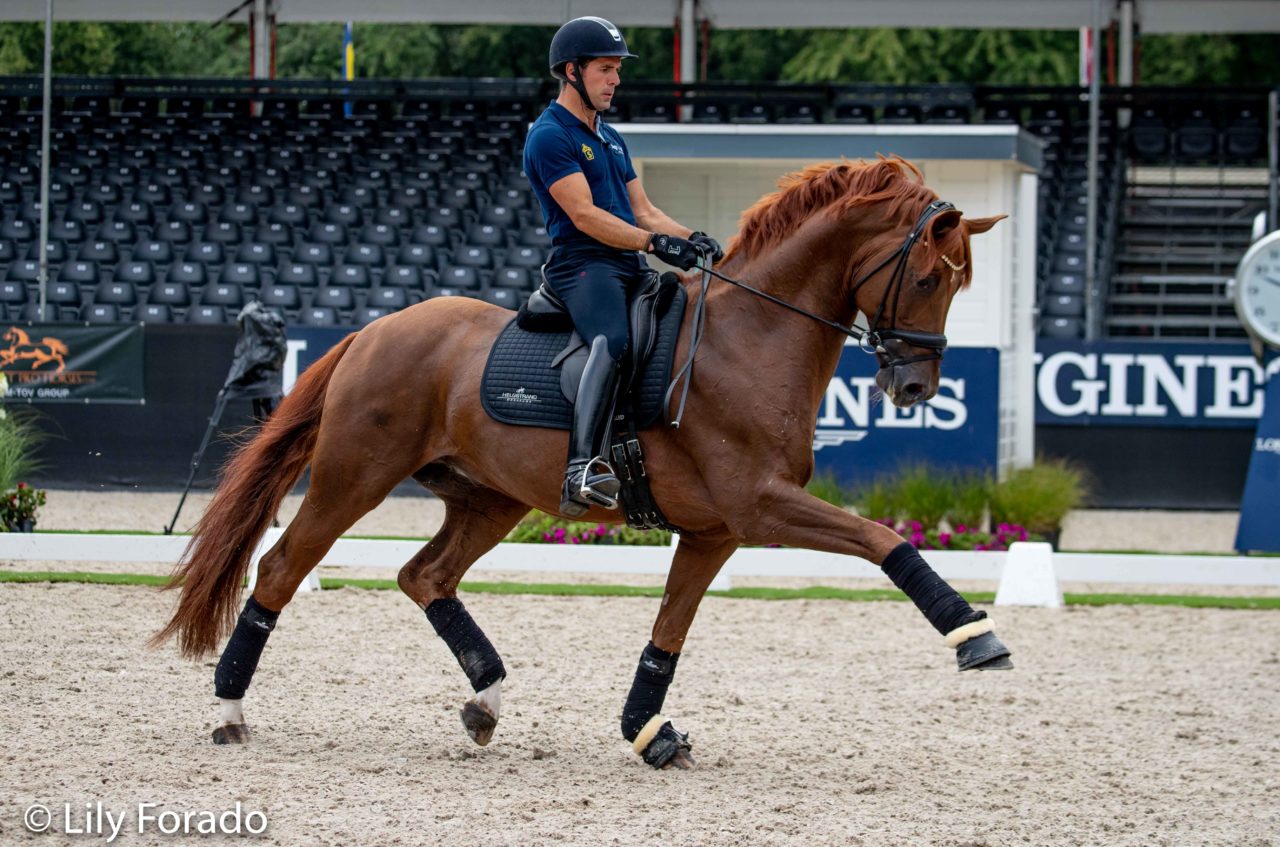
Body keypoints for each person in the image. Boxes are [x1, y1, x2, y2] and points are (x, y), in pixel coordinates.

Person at [523, 15, 724, 518]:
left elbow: (645, 211)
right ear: (572, 71)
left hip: (627, 261)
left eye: (617, 70)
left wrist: (691, 238)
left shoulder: (610, 137)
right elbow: (585, 215)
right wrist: (654, 242)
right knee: (612, 341)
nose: (616, 80)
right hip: (583, 265)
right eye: (606, 70)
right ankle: (580, 468)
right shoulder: (549, 136)